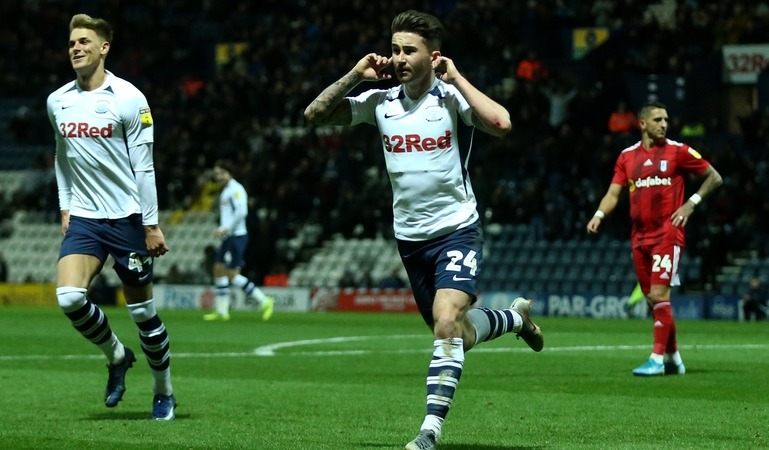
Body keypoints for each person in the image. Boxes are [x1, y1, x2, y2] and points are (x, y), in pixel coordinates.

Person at [304, 10, 543, 450]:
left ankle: (429, 431)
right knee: (458, 334)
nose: (397, 58)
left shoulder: (450, 99)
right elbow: (315, 114)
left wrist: (456, 76)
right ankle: (515, 318)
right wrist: (357, 74)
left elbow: (502, 124)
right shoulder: (381, 102)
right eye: (394, 49)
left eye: (407, 50)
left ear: (432, 56)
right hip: (411, 240)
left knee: (446, 321)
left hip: (456, 229)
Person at [46, 14, 176, 420]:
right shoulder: (57, 101)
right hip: (84, 218)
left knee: (142, 313)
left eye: (85, 41)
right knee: (69, 297)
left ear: (104, 48)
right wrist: (66, 206)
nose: (76, 48)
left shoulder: (129, 98)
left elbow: (145, 167)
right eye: (71, 43)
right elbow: (61, 158)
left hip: (126, 220)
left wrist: (151, 224)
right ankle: (117, 355)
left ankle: (163, 391)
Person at [587, 100, 723, 377]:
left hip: (667, 234)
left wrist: (691, 204)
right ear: (643, 124)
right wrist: (599, 214)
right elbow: (614, 193)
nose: (664, 124)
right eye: (658, 119)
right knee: (652, 300)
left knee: (660, 294)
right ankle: (674, 357)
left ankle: (656, 359)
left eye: (666, 119)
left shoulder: (678, 151)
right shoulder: (626, 157)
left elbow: (714, 177)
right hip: (639, 237)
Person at [202, 160, 274, 321]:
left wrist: (226, 227)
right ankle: (222, 310)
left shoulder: (236, 189)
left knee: (231, 274)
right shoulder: (226, 190)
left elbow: (242, 212)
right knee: (219, 269)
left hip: (237, 236)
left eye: (221, 173)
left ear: (230, 173)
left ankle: (264, 300)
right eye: (217, 174)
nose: (218, 177)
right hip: (230, 236)